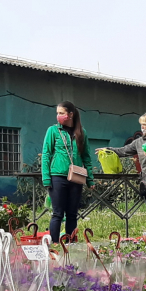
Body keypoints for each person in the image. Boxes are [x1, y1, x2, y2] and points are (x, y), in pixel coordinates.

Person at [100, 113, 146, 233]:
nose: (142, 128)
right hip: (145, 178)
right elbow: (124, 151)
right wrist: (108, 149)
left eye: (144, 125)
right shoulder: (139, 142)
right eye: (141, 125)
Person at [41, 101, 94, 243]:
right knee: (57, 213)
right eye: (57, 113)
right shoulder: (53, 131)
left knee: (72, 214)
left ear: (70, 114)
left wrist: (90, 180)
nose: (58, 116)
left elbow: (86, 157)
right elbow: (46, 154)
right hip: (57, 176)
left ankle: (70, 244)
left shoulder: (82, 133)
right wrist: (46, 178)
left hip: (76, 177)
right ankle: (54, 244)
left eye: (61, 113)